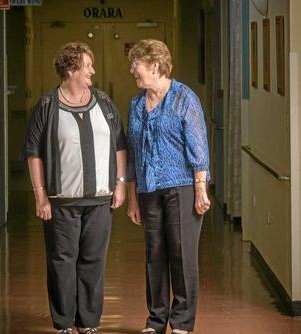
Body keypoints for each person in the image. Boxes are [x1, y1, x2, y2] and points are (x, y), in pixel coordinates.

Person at [22, 42, 127, 334]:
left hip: (100, 199)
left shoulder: (105, 103)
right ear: (71, 69)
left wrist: (120, 185)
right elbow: (34, 153)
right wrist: (40, 196)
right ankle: (64, 322)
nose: (93, 71)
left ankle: (88, 322)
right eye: (88, 65)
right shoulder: (47, 106)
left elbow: (120, 145)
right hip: (61, 201)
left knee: (93, 261)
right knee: (62, 262)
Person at [125, 39, 210, 334]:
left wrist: (201, 189)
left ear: (155, 65)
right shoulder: (136, 104)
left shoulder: (184, 98)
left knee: (182, 253)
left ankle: (183, 322)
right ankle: (156, 320)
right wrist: (133, 198)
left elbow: (198, 147)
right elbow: (134, 153)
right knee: (155, 254)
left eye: (137, 64)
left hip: (182, 187)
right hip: (149, 189)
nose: (133, 70)